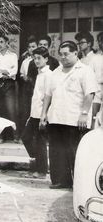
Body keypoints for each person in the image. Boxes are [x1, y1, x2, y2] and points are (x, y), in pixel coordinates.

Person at [39, 41, 98, 189]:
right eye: (61, 54)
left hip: (75, 119)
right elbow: (47, 95)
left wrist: (84, 114)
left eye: (66, 54)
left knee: (75, 152)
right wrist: (43, 114)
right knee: (57, 151)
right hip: (56, 117)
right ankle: (60, 180)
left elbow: (89, 93)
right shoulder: (55, 72)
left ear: (75, 53)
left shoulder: (85, 70)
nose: (63, 57)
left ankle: (80, 184)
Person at [21, 47, 51, 179]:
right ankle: (37, 163)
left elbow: (47, 96)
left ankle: (42, 171)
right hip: (34, 114)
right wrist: (31, 116)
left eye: (39, 58)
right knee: (26, 137)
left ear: (46, 59)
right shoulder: (39, 74)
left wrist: (44, 116)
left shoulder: (48, 74)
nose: (37, 61)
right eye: (35, 58)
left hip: (41, 114)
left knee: (40, 142)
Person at [0, 33, 18, 143]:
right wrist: (4, 71)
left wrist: (0, 70)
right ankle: (1, 136)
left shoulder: (13, 56)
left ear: (7, 43)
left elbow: (14, 71)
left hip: (9, 84)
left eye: (1, 42)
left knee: (11, 110)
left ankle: (16, 135)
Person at [18, 37, 38, 136]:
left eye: (33, 46)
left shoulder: (40, 60)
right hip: (27, 89)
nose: (31, 49)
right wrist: (24, 77)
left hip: (37, 88)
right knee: (26, 111)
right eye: (29, 47)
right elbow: (21, 73)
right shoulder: (25, 61)